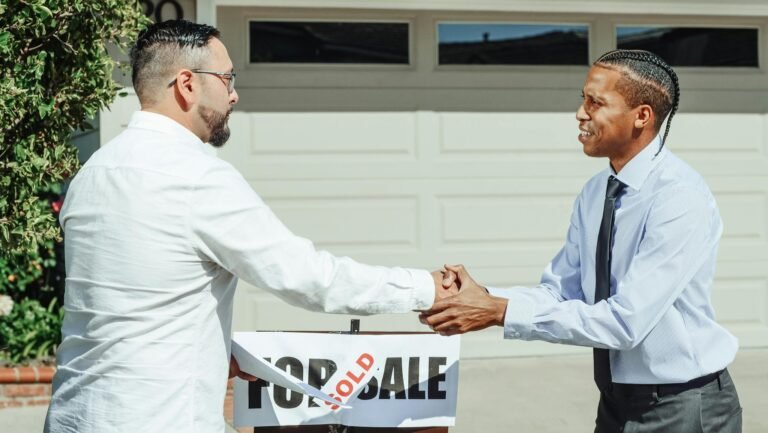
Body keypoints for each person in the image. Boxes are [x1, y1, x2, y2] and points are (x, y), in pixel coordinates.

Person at [44, 20, 455, 433]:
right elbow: (309, 278)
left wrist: (215, 354)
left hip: (73, 416)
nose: (235, 93)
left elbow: (123, 304)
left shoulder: (93, 173)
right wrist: (430, 288)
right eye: (227, 79)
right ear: (187, 84)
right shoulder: (196, 177)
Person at [423, 49, 742, 433]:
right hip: (617, 401)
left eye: (596, 102)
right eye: (583, 98)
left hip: (684, 406)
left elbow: (625, 322)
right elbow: (561, 291)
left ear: (642, 115)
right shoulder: (596, 193)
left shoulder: (678, 198)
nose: (580, 113)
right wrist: (483, 297)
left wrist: (498, 311)